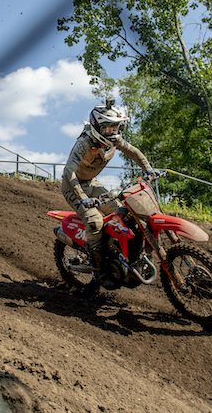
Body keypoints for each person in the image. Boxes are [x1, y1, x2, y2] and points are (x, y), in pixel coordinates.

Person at [61, 98, 155, 287]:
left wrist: (148, 169)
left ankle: (119, 255)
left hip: (92, 182)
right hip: (74, 186)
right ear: (97, 126)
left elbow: (133, 152)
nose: (114, 132)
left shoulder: (115, 140)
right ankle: (99, 270)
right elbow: (68, 173)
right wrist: (83, 198)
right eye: (109, 128)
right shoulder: (84, 143)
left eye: (116, 127)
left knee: (122, 212)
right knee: (95, 221)